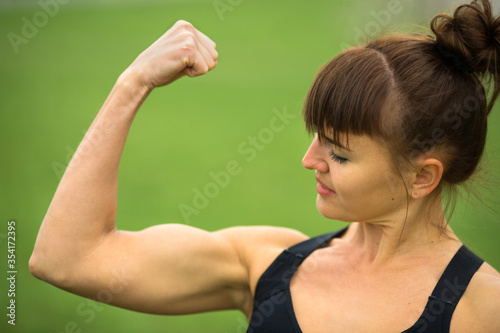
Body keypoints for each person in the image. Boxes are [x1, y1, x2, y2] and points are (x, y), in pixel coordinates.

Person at [30, 0, 500, 331]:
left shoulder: (483, 309)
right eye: (316, 137)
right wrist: (132, 84)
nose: (309, 160)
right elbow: (68, 259)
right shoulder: (266, 267)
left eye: (338, 153)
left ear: (422, 177)